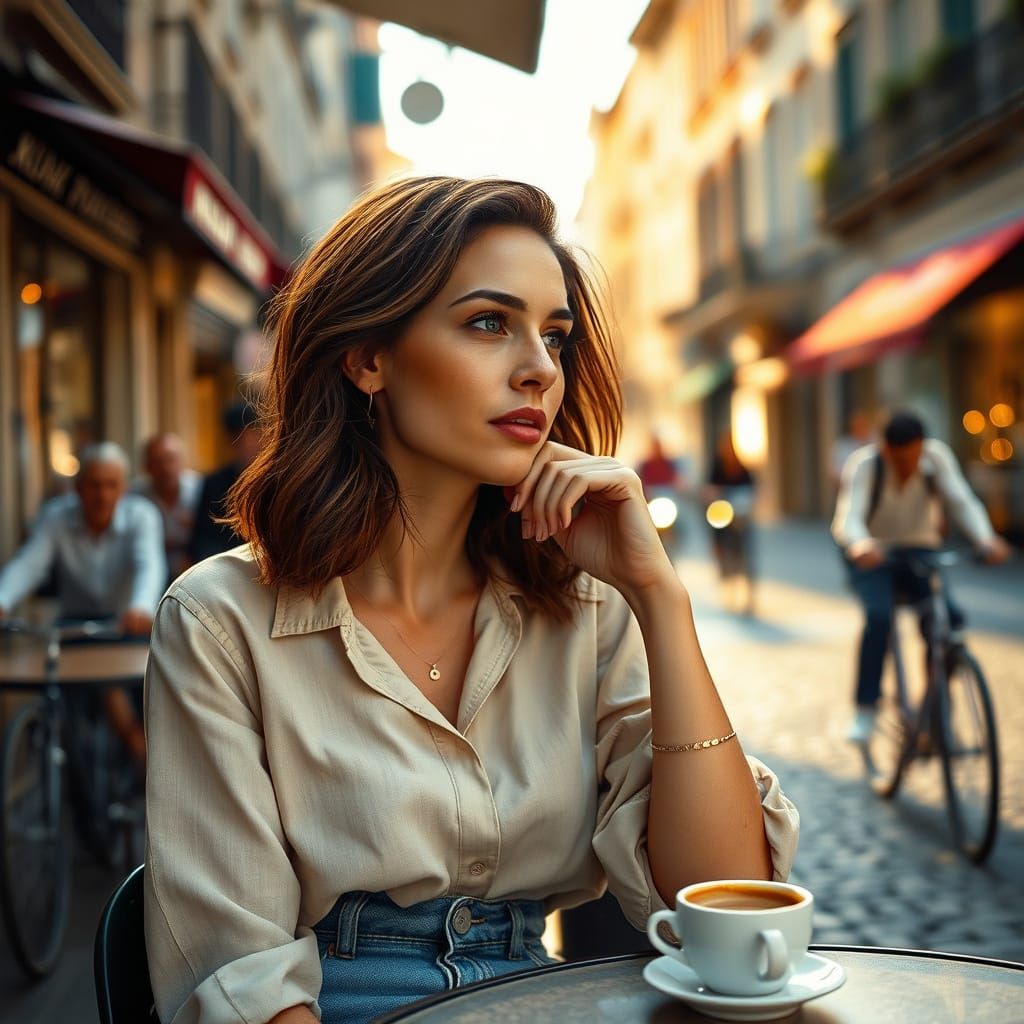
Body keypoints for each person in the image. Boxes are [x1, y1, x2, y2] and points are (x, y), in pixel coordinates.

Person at [144, 177, 799, 1024]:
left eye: (554, 336)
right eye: (489, 323)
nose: (538, 370)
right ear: (368, 357)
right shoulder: (220, 621)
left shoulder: (585, 606)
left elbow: (719, 902)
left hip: (545, 995)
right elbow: (236, 969)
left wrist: (657, 597)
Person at [832, 411, 1011, 743]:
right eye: (900, 458)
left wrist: (985, 538)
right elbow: (848, 515)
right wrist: (860, 544)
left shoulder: (936, 457)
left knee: (948, 622)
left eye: (914, 456)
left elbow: (962, 501)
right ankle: (865, 709)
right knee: (879, 617)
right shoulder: (864, 464)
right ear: (884, 449)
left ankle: (935, 710)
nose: (909, 465)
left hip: (919, 550)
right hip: (873, 554)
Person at [0, 442, 166, 763]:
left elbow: (150, 565)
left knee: (132, 699)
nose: (102, 495)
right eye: (93, 485)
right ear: (77, 488)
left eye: (111, 485)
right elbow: (28, 564)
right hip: (74, 627)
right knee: (58, 696)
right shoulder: (55, 518)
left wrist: (141, 608)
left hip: (125, 624)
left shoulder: (142, 516)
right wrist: (3, 599)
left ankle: (140, 758)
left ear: (124, 488)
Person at [188, 401, 263, 563]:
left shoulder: (278, 478)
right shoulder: (214, 483)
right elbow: (203, 536)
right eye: (239, 436)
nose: (246, 443)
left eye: (251, 434)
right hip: (226, 568)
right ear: (229, 441)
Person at [134, 432, 201, 583]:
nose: (165, 468)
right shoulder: (135, 496)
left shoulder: (200, 489)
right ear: (146, 466)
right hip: (150, 575)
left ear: (182, 461)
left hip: (195, 572)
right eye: (157, 462)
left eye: (170, 459)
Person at [829, 411, 874, 491]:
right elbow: (835, 475)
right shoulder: (842, 447)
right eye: (858, 426)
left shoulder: (874, 445)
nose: (861, 429)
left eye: (863, 425)